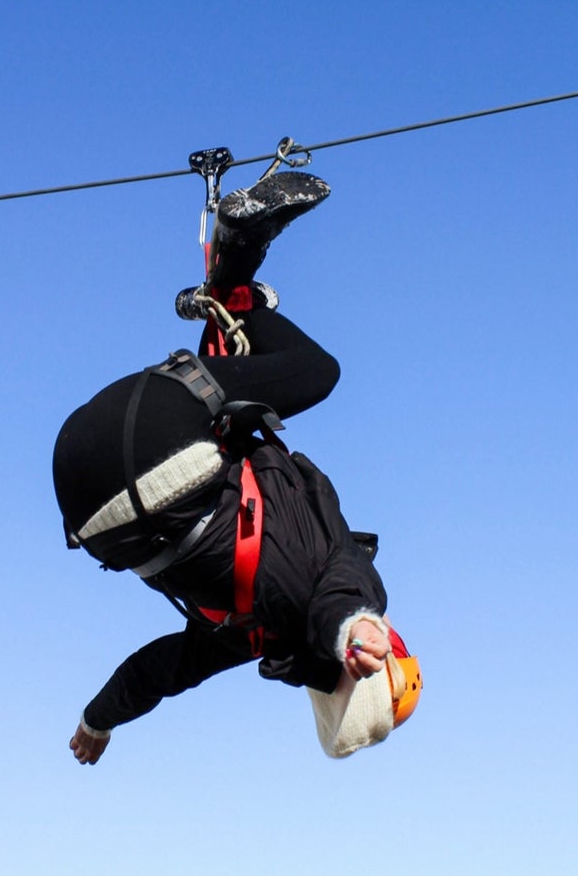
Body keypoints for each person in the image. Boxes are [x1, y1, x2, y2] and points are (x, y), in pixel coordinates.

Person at [52, 171, 396, 766]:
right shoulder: (244, 638)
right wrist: (97, 720)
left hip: (152, 435)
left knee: (317, 372)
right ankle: (227, 296)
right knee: (231, 427)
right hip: (85, 494)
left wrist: (355, 626)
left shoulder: (338, 585)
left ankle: (239, 283)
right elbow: (156, 671)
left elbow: (345, 593)